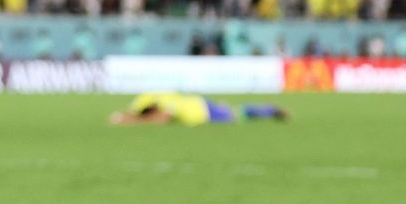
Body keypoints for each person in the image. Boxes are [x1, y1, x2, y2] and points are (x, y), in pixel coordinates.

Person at [108, 91, 287, 125]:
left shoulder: (166, 105)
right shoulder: (161, 97)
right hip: (200, 104)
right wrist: (126, 117)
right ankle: (267, 110)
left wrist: (128, 122)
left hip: (203, 113)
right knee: (234, 112)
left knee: (235, 116)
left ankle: (268, 110)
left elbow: (161, 119)